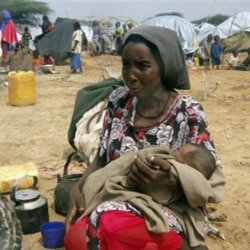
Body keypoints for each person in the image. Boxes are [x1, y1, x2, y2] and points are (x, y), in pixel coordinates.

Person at [65, 26, 225, 250]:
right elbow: (101, 160)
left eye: (143, 66)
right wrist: (78, 188)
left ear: (163, 68)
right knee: (75, 239)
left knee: (109, 229)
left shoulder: (188, 111)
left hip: (168, 205)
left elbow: (206, 172)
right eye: (126, 64)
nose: (131, 75)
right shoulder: (117, 102)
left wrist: (170, 181)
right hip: (116, 196)